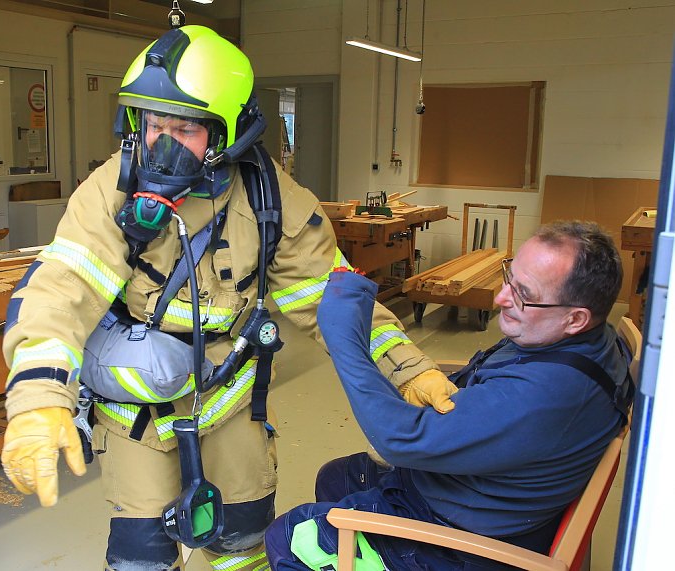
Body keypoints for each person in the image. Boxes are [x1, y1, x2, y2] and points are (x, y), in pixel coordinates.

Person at [0, 25, 456, 571]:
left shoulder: (273, 201)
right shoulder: (109, 190)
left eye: (185, 127)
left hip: (231, 398)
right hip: (136, 408)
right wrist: (37, 398)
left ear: (228, 131)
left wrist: (409, 369)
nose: (161, 144)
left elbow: (334, 304)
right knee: (141, 553)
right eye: (152, 124)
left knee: (241, 542)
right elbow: (61, 289)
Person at [265, 220, 635, 571]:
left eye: (525, 295)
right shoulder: (593, 342)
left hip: (463, 542)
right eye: (511, 277)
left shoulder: (546, 393)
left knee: (292, 535)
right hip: (485, 495)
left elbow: (400, 438)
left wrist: (346, 339)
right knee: (339, 476)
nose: (501, 298)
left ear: (576, 319)